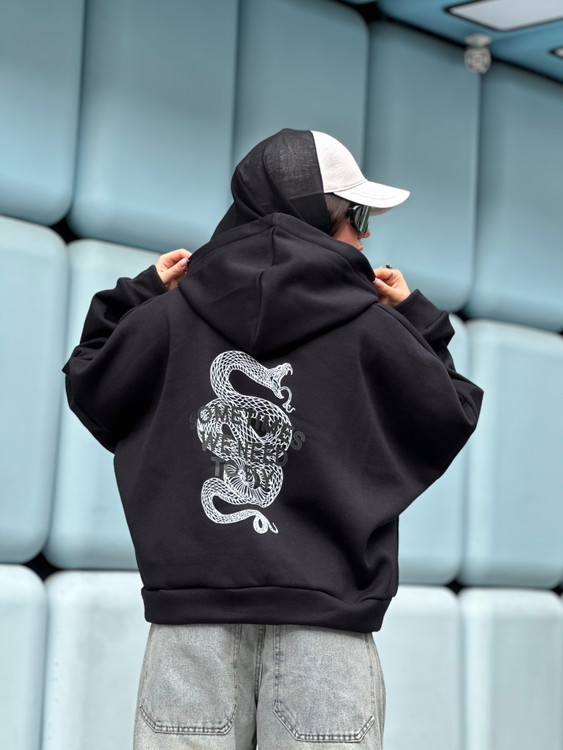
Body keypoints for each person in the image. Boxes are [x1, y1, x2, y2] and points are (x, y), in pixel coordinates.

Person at [63, 129, 483, 749]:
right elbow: (451, 410)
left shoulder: (169, 318)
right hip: (327, 634)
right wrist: (417, 320)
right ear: (322, 218)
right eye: (359, 217)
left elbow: (91, 379)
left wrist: (141, 294)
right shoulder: (372, 327)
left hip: (191, 629)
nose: (366, 236)